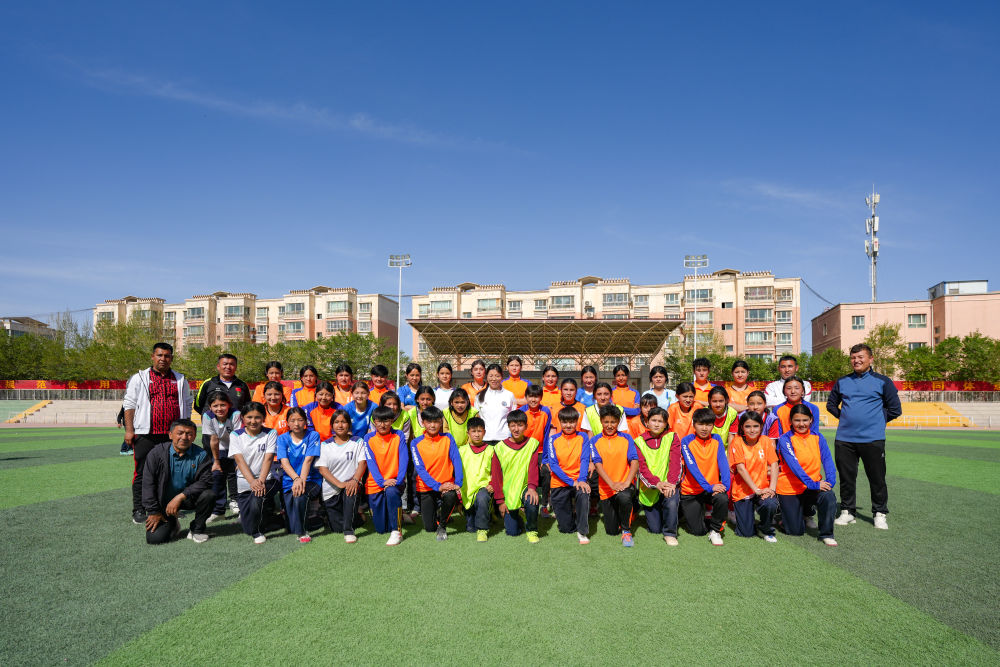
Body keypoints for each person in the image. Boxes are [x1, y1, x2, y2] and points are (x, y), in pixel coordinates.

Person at [827, 343, 901, 530]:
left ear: (871, 359)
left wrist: (876, 422)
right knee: (846, 478)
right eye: (853, 357)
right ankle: (847, 511)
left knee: (877, 478)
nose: (856, 360)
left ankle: (879, 513)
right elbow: (831, 405)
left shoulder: (883, 381)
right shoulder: (842, 381)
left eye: (860, 357)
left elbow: (895, 409)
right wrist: (845, 418)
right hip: (845, 439)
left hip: (873, 439)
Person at [123, 342, 192, 525]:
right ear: (152, 357)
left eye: (167, 356)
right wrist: (129, 430)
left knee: (171, 472)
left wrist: (185, 429)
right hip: (146, 434)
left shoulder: (180, 379)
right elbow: (129, 404)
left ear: (172, 358)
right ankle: (139, 508)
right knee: (142, 472)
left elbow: (187, 403)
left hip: (171, 436)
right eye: (160, 355)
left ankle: (167, 508)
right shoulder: (140, 377)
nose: (163, 359)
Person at [141, 419, 214, 544]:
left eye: (189, 434)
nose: (184, 437)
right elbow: (148, 483)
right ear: (170, 435)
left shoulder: (201, 454)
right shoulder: (156, 453)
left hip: (189, 498)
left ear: (194, 437)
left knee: (209, 495)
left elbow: (206, 481)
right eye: (180, 433)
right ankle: (173, 523)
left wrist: (180, 496)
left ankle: (197, 529)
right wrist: (154, 511)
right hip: (164, 502)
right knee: (155, 539)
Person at [776, 404, 838, 546]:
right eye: (797, 420)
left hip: (812, 486)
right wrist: (812, 484)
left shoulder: (818, 437)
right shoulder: (785, 439)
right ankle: (784, 516)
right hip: (790, 488)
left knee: (828, 495)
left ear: (811, 420)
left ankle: (826, 534)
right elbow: (795, 466)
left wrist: (830, 481)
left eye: (805, 420)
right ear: (790, 421)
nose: (801, 424)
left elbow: (827, 460)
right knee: (795, 531)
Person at [409, 406, 464, 540]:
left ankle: (443, 525)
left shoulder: (448, 438)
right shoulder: (415, 443)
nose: (433, 425)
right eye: (429, 422)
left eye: (436, 422)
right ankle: (440, 514)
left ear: (441, 422)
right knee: (429, 527)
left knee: (450, 495)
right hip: (426, 487)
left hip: (447, 485)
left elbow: (456, 460)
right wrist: (437, 486)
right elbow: (420, 470)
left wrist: (458, 483)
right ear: (423, 422)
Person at [589, 405, 640, 547]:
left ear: (618, 422)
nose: (610, 425)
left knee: (624, 497)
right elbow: (597, 464)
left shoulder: (627, 438)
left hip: (624, 485)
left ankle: (626, 531)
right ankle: (629, 511)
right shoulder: (594, 441)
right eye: (606, 422)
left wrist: (627, 482)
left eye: (613, 422)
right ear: (601, 421)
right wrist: (611, 484)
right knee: (611, 531)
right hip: (607, 488)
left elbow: (634, 461)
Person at [229, 402, 279, 544]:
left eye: (257, 417)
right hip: (245, 482)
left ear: (263, 418)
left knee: (257, 499)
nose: (253, 421)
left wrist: (260, 481)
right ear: (243, 418)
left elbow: (268, 458)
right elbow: (239, 461)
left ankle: (258, 532)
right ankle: (274, 518)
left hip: (266, 479)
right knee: (247, 528)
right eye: (249, 417)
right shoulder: (235, 435)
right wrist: (252, 482)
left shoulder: (271, 433)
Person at [679, 408, 730, 546]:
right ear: (694, 424)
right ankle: (699, 514)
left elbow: (723, 464)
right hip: (691, 491)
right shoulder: (686, 441)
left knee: (722, 497)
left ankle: (715, 530)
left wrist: (725, 486)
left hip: (711, 489)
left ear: (713, 425)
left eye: (708, 424)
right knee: (698, 531)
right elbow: (692, 467)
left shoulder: (717, 439)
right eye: (701, 424)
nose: (704, 428)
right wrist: (708, 487)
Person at [315, 410, 367, 544]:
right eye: (336, 422)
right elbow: (322, 469)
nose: (340, 425)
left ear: (349, 424)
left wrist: (355, 480)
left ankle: (349, 531)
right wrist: (339, 484)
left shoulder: (358, 441)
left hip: (351, 484)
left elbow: (362, 463)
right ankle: (357, 516)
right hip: (332, 490)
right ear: (332, 425)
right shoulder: (325, 445)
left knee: (351, 490)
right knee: (337, 528)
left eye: (343, 422)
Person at [545, 406, 593, 544]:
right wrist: (572, 482)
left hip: (579, 480)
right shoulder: (552, 439)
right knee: (565, 528)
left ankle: (582, 531)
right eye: (565, 422)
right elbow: (553, 465)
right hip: (559, 483)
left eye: (572, 422)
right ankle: (571, 515)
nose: (568, 425)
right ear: (560, 422)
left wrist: (581, 480)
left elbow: (584, 459)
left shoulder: (583, 436)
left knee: (583, 492)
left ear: (577, 422)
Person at [728, 411, 779, 542]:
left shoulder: (765, 441)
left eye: (756, 426)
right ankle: (745, 519)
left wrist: (772, 489)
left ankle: (765, 528)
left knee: (770, 503)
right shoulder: (737, 441)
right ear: (742, 427)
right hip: (743, 491)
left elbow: (774, 464)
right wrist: (756, 490)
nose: (752, 430)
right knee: (746, 533)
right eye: (748, 426)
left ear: (761, 427)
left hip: (763, 488)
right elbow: (740, 468)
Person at [635, 407, 682, 546]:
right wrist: (657, 483)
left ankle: (670, 533)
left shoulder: (672, 437)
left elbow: (675, 462)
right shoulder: (638, 441)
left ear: (666, 424)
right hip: (650, 489)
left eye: (660, 421)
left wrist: (671, 483)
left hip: (668, 484)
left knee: (672, 499)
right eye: (653, 420)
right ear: (646, 422)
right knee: (655, 529)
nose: (656, 424)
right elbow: (642, 469)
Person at [492, 411, 541, 543]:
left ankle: (532, 530)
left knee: (532, 499)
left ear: (526, 426)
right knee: (512, 532)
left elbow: (533, 469)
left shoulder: (532, 444)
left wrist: (532, 488)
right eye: (513, 425)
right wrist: (500, 501)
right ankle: (520, 513)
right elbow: (496, 476)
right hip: (509, 493)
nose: (516, 429)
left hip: (525, 487)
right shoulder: (499, 448)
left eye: (520, 425)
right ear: (508, 426)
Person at [364, 406, 409, 546]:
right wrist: (381, 482)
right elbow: (370, 462)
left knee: (391, 492)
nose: (382, 425)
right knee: (381, 529)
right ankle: (399, 515)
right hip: (376, 483)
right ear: (374, 422)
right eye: (379, 421)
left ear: (392, 421)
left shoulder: (399, 435)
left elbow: (404, 459)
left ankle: (397, 531)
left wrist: (398, 480)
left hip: (395, 482)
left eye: (386, 421)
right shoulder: (368, 438)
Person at [276, 407, 322, 543]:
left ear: (305, 422)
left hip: (310, 479)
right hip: (289, 481)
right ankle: (314, 520)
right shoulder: (282, 438)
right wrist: (296, 479)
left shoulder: (313, 435)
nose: (296, 424)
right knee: (291, 527)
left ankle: (303, 532)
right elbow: (284, 462)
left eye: (300, 420)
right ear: (287, 423)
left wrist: (301, 480)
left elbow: (308, 460)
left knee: (300, 495)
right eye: (292, 420)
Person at [201, 390, 243, 523]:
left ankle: (242, 510)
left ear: (229, 405)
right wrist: (216, 461)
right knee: (217, 475)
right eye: (215, 406)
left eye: (223, 405)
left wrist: (239, 461)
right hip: (220, 449)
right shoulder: (207, 416)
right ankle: (218, 511)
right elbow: (213, 439)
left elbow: (237, 438)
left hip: (237, 448)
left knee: (240, 476)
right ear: (210, 407)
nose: (219, 408)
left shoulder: (236, 414)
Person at [458, 416, 494, 542]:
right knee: (470, 528)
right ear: (468, 433)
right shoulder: (461, 450)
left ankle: (482, 530)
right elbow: (456, 472)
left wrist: (492, 483)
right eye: (473, 431)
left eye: (480, 431)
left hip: (484, 488)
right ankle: (479, 515)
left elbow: (496, 471)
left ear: (484, 432)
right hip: (467, 490)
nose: (477, 434)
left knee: (482, 497)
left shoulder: (491, 450)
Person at [193, 353, 250, 417]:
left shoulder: (242, 385)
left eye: (231, 364)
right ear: (218, 366)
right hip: (211, 422)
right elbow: (197, 405)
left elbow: (247, 406)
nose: (228, 367)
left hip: (236, 423)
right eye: (225, 364)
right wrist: (210, 416)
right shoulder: (208, 383)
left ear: (236, 367)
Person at [476, 364, 515, 444]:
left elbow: (512, 418)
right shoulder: (479, 396)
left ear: (502, 377)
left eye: (497, 376)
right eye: (491, 376)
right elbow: (478, 417)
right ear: (486, 377)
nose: (494, 379)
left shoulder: (509, 395)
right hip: (485, 438)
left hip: (504, 438)